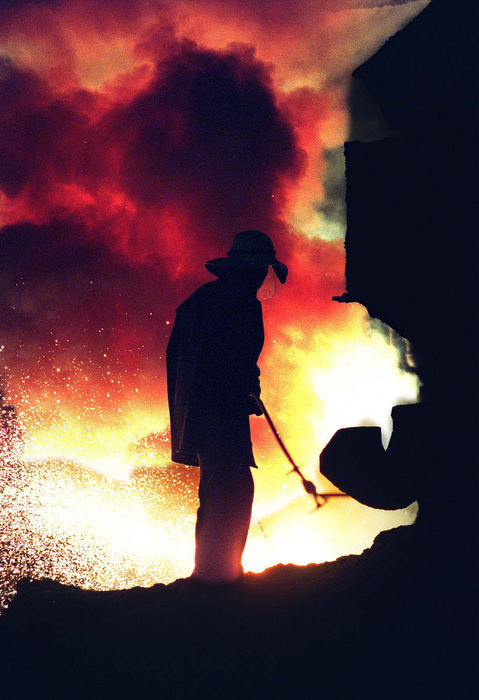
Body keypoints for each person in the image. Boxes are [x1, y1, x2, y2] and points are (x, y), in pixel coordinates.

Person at [166, 230, 288, 583]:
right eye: (262, 268)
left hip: (207, 411)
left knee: (225, 488)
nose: (263, 277)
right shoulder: (235, 302)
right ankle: (218, 576)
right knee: (230, 490)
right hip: (217, 412)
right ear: (252, 267)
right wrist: (242, 386)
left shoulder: (209, 299)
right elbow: (221, 359)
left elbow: (220, 358)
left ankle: (216, 571)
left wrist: (247, 384)